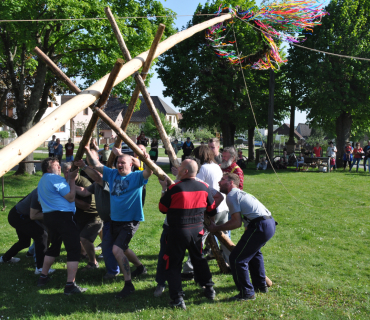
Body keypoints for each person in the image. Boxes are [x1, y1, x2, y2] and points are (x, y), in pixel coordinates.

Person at [84, 145, 153, 299]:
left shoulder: (137, 177)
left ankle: (128, 285)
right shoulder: (112, 174)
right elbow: (96, 166)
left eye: (124, 162)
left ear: (131, 164)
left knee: (117, 250)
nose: (120, 165)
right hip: (115, 220)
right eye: (118, 162)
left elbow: (149, 171)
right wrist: (87, 150)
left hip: (130, 221)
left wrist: (145, 160)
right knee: (124, 248)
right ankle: (140, 268)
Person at [159, 159, 217, 310]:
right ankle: (209, 289)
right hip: (197, 231)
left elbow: (162, 208)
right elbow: (212, 209)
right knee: (199, 259)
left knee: (173, 264)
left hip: (178, 231)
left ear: (185, 171)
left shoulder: (175, 188)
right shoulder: (204, 187)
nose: (177, 169)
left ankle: (177, 298)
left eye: (180, 167)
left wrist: (164, 189)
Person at [208, 173, 276, 301]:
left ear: (231, 183)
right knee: (255, 254)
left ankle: (247, 293)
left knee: (236, 258)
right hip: (268, 224)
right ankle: (260, 285)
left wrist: (216, 228)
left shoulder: (232, 195)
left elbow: (236, 222)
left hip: (260, 226)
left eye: (222, 180)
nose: (218, 182)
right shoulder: (240, 194)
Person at [36, 157, 86, 295]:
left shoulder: (41, 181)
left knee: (54, 247)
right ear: (48, 168)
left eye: (59, 165)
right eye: (56, 165)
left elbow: (40, 202)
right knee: (74, 249)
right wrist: (71, 180)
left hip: (49, 217)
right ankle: (70, 285)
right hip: (63, 217)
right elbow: (70, 197)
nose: (59, 167)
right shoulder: (55, 178)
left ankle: (43, 277)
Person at [74, 150, 120, 280]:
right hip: (107, 220)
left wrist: (84, 166)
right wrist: (69, 185)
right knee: (111, 247)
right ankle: (121, 268)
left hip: (114, 220)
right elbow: (84, 192)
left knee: (112, 246)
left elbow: (97, 177)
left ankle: (114, 270)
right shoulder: (96, 184)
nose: (96, 172)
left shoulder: (108, 182)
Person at [0, 189, 52, 275]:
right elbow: (34, 215)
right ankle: (40, 267)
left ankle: (5, 258)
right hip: (18, 216)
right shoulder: (38, 193)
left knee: (24, 242)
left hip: (20, 215)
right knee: (42, 236)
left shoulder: (45, 190)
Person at [62, 162, 102, 271]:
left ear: (77, 172)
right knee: (70, 235)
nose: (69, 174)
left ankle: (93, 262)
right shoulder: (64, 183)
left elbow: (86, 206)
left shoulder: (83, 182)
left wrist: (69, 198)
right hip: (78, 216)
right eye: (66, 172)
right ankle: (83, 254)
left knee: (84, 238)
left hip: (93, 216)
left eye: (71, 171)